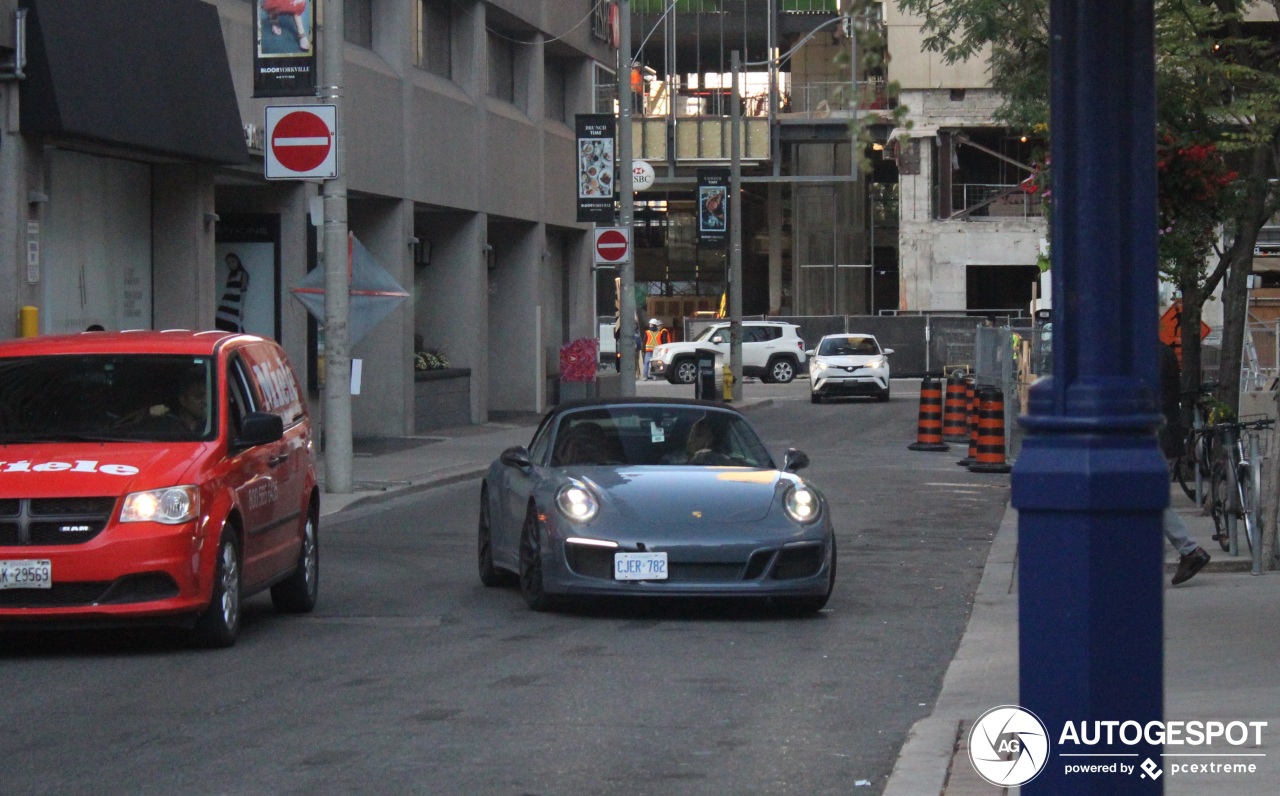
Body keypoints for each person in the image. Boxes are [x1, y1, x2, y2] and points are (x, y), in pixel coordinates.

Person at [1161, 341, 1211, 585]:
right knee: (1149, 498)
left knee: (1150, 498)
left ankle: (1189, 549)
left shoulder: (1145, 356)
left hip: (1156, 439)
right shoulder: (1163, 353)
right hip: (1165, 438)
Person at [215, 253, 250, 333]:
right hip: (225, 304)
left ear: (237, 261)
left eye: (233, 261)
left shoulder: (242, 274)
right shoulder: (230, 275)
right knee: (220, 325)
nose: (231, 264)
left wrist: (241, 309)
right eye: (228, 263)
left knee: (234, 326)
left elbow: (243, 292)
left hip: (234, 305)